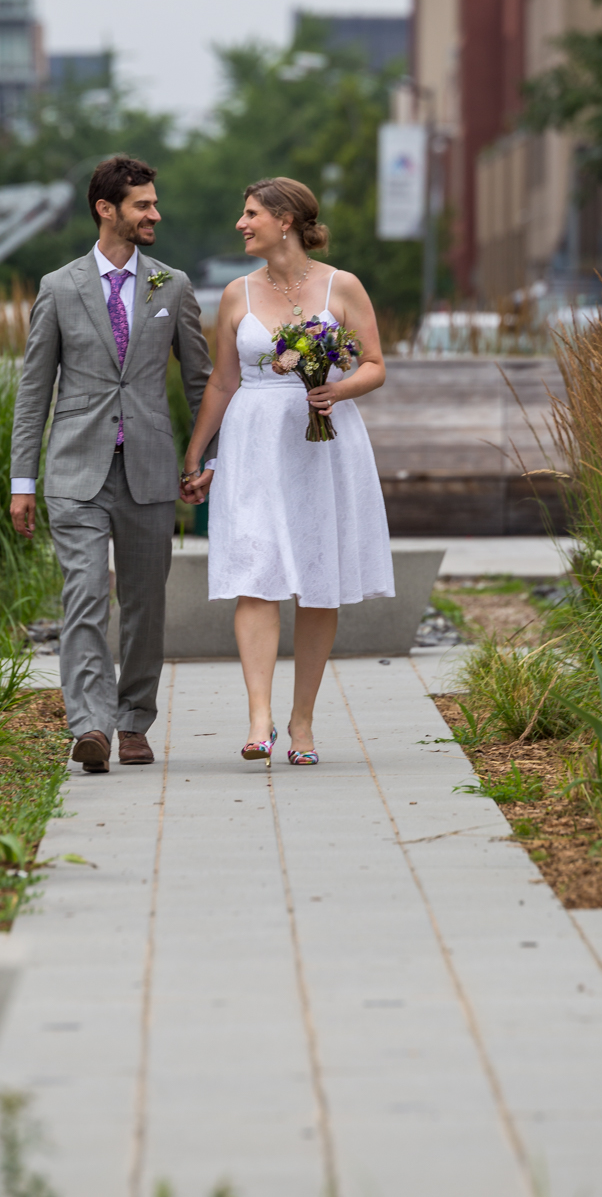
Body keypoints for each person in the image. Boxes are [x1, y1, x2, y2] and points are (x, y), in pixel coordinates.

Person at [10, 155, 215, 773]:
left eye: (154, 203)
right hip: (76, 469)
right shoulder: (58, 286)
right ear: (107, 210)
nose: (155, 213)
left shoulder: (171, 285)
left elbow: (203, 383)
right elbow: (33, 390)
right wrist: (24, 481)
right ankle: (91, 725)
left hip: (152, 469)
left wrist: (208, 460)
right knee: (84, 597)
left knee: (146, 603)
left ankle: (133, 721)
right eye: (143, 204)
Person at [180, 177, 393, 767]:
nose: (242, 224)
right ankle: (259, 720)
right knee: (255, 569)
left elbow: (375, 365)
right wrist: (198, 453)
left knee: (318, 578)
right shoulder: (235, 295)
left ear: (287, 220)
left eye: (251, 214)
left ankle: (303, 724)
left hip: (322, 445)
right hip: (253, 445)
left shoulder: (342, 286)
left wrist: (336, 388)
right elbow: (223, 382)